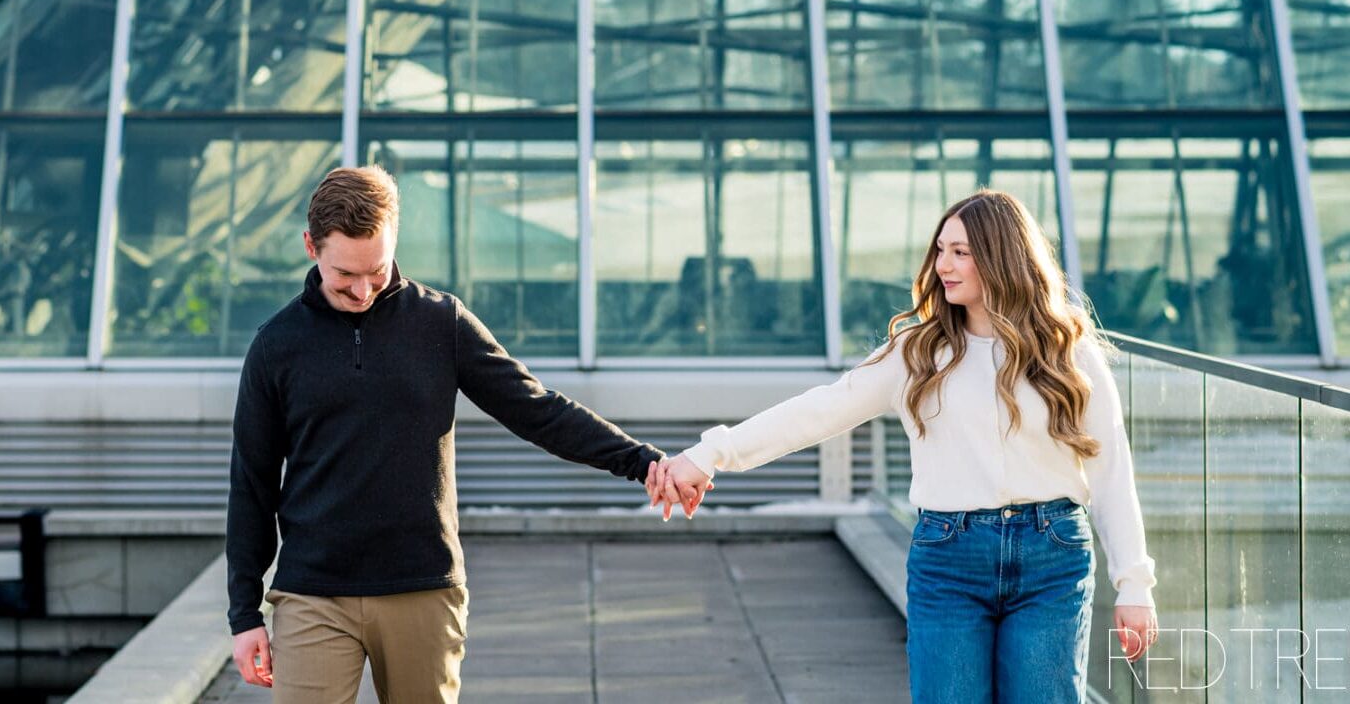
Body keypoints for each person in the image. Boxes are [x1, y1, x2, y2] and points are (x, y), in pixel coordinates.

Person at [648, 188, 1159, 703]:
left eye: (961, 252)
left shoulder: (1068, 350)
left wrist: (1134, 584)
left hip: (1053, 557)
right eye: (940, 250)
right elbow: (817, 412)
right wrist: (707, 455)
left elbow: (1111, 468)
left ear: (1002, 257)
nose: (944, 265)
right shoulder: (917, 352)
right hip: (949, 559)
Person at [227, 165, 664, 703]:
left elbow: (537, 410)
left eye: (377, 271)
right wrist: (244, 613)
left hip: (423, 588)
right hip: (313, 592)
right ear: (310, 247)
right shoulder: (276, 346)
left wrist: (642, 462)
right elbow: (252, 482)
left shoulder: (441, 323)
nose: (363, 290)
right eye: (346, 276)